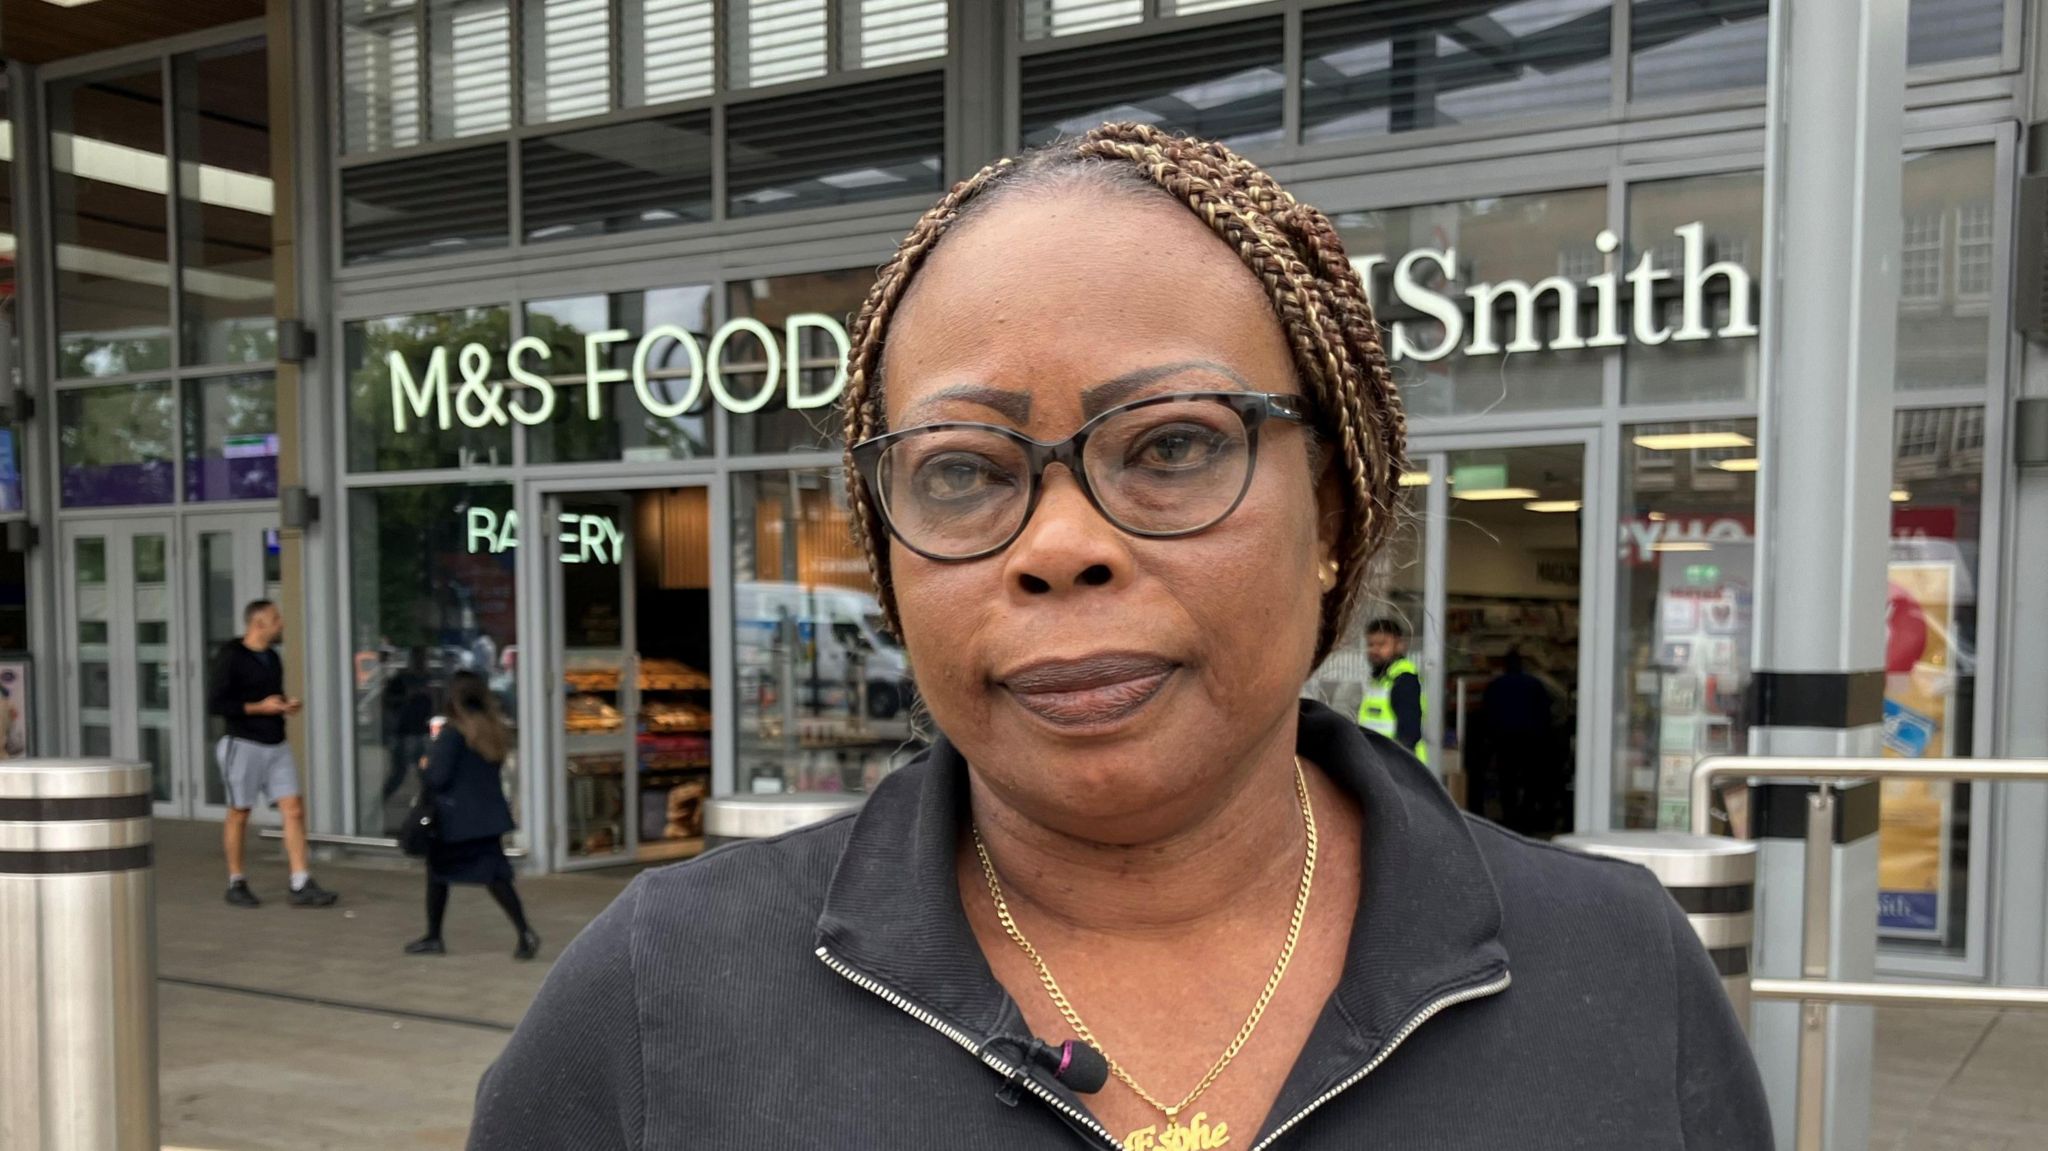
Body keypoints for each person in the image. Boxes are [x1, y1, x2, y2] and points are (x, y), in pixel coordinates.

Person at [470, 125, 1770, 1149]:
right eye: (966, 471)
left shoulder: (1617, 975)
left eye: (1172, 445)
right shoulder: (657, 1001)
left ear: (1330, 504)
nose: (1055, 543)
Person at [209, 599, 338, 908]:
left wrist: (285, 705)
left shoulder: (272, 657)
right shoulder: (231, 656)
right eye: (275, 618)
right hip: (243, 744)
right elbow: (216, 704)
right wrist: (258, 708)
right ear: (258, 624)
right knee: (239, 812)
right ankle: (236, 881)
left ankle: (300, 881)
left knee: (293, 808)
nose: (281, 623)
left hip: (276, 743)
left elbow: (272, 697)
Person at [405, 670, 539, 960]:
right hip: (487, 819)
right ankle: (524, 932)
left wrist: (425, 765)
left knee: (438, 874)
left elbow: (437, 778)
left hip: (456, 822)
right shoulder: (493, 731)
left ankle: (434, 936)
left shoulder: (454, 734)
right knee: (496, 878)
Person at [1478, 649, 1561, 834]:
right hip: (1531, 739)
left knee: (1508, 780)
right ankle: (1527, 816)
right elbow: (1545, 712)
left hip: (1505, 740)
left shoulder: (1496, 685)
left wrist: (1490, 740)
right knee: (1531, 779)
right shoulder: (1534, 684)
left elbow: (1487, 713)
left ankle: (1510, 818)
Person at [1358, 618, 1426, 762]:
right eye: (1371, 644)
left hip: (1399, 767)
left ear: (1399, 645)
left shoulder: (1404, 679)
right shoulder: (1380, 680)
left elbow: (1408, 735)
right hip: (1379, 762)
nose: (1375, 650)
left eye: (1382, 644)